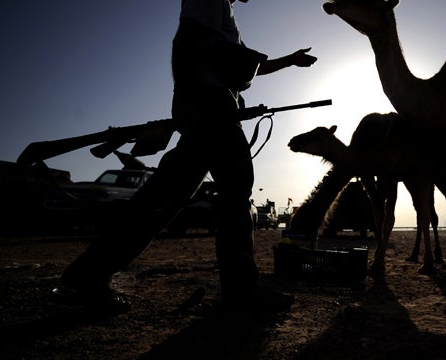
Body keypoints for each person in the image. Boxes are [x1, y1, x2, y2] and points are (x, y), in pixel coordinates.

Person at [50, 0, 317, 314]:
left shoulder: (224, 14)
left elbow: (247, 65)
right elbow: (187, 41)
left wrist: (290, 61)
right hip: (210, 106)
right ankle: (242, 292)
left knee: (165, 195)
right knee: (234, 186)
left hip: (208, 105)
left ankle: (85, 278)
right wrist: (196, 101)